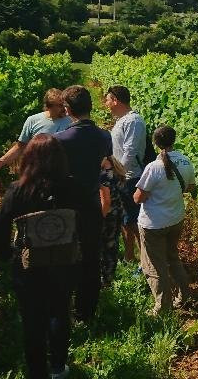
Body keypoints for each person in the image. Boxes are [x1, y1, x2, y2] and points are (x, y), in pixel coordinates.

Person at [0, 134, 77, 379]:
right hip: (64, 263)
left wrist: (8, 255)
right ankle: (59, 367)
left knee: (32, 321)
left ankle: (37, 372)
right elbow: (87, 222)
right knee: (59, 312)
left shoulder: (18, 190)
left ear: (28, 159)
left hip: (28, 268)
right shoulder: (71, 187)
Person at [54, 85, 112, 322]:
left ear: (67, 110)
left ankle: (62, 308)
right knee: (91, 259)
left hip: (66, 205)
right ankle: (85, 312)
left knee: (63, 258)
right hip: (91, 204)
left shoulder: (59, 139)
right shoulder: (104, 136)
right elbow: (103, 168)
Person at [133, 125, 196, 315]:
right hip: (176, 219)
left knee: (154, 265)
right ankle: (184, 296)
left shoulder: (153, 167)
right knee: (172, 258)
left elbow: (138, 197)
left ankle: (162, 307)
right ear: (174, 140)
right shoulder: (185, 161)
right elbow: (190, 187)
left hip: (153, 224)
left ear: (155, 143)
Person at [103, 86, 146, 265]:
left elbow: (130, 152)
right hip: (122, 177)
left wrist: (117, 174)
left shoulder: (133, 121)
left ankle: (145, 260)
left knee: (135, 222)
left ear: (115, 100)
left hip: (130, 178)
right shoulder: (123, 120)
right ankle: (130, 257)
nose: (105, 104)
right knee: (126, 219)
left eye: (107, 100)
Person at [0, 88, 72, 170]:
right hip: (38, 171)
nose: (64, 108)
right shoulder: (32, 120)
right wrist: (2, 161)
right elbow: (20, 146)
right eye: (60, 105)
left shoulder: (71, 120)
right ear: (49, 106)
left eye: (64, 105)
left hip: (62, 171)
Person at [98, 155, 128, 286]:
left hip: (107, 215)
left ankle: (104, 281)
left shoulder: (104, 174)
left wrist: (100, 218)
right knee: (112, 246)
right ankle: (109, 278)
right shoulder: (116, 168)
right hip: (117, 212)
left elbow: (106, 201)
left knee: (102, 248)